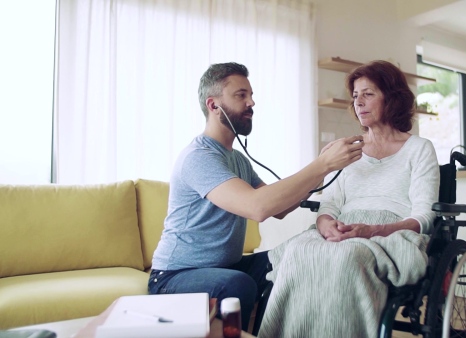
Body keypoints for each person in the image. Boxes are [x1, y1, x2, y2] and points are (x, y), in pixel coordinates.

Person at [148, 62, 364, 331]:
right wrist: (322, 165)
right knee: (237, 284)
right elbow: (257, 208)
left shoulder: (237, 159)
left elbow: (280, 208)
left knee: (295, 255)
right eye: (241, 95)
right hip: (174, 278)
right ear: (213, 105)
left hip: (229, 267)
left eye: (250, 95)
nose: (251, 102)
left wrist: (323, 168)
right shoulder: (199, 157)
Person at [258, 60, 440, 338]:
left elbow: (424, 217)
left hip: (391, 231)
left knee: (349, 256)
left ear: (391, 97)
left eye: (368, 94)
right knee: (298, 252)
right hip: (342, 228)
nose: (359, 102)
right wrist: (325, 224)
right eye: (355, 96)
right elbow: (328, 205)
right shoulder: (346, 150)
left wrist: (373, 230)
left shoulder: (419, 149)